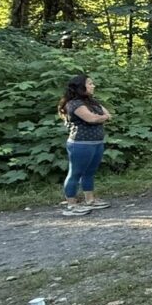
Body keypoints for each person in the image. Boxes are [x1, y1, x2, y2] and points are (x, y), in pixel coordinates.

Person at [59, 74, 111, 216]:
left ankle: (90, 200)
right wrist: (101, 118)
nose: (93, 86)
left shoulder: (91, 102)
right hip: (80, 144)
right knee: (75, 173)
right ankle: (71, 205)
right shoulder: (74, 104)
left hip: (97, 142)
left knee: (90, 172)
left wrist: (101, 117)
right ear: (81, 87)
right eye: (90, 83)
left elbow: (108, 114)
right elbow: (92, 119)